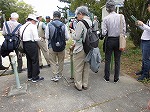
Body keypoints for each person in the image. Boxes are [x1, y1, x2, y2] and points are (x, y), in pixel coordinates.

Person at [102, 0, 126, 83]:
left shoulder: (105, 18)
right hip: (118, 40)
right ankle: (116, 78)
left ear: (107, 9)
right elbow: (124, 30)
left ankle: (107, 77)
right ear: (114, 7)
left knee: (107, 59)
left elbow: (104, 32)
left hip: (109, 39)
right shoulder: (121, 17)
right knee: (117, 60)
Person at [71, 6, 92, 91]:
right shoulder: (91, 22)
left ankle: (78, 85)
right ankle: (85, 84)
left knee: (78, 67)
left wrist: (73, 33)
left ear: (80, 14)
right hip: (89, 47)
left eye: (77, 15)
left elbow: (76, 37)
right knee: (86, 67)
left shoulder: (81, 23)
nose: (77, 17)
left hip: (80, 48)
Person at [45, 11, 69, 82]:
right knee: (61, 60)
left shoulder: (49, 25)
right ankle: (60, 74)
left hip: (51, 46)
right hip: (61, 46)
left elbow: (47, 36)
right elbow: (67, 37)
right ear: (60, 16)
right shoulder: (63, 25)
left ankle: (55, 76)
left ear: (53, 16)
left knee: (53, 61)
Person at [20, 14, 44, 83]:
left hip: (24, 44)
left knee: (29, 60)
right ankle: (35, 77)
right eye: (35, 21)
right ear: (32, 20)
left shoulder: (22, 26)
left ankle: (30, 76)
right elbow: (36, 38)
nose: (35, 22)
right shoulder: (32, 26)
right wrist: (41, 38)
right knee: (35, 60)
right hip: (31, 44)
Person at [135, 0, 150, 81]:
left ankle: (146, 75)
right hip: (144, 40)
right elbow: (146, 29)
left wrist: (143, 24)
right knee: (144, 58)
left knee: (146, 59)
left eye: (148, 6)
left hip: (148, 41)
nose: (148, 8)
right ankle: (143, 71)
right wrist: (139, 25)